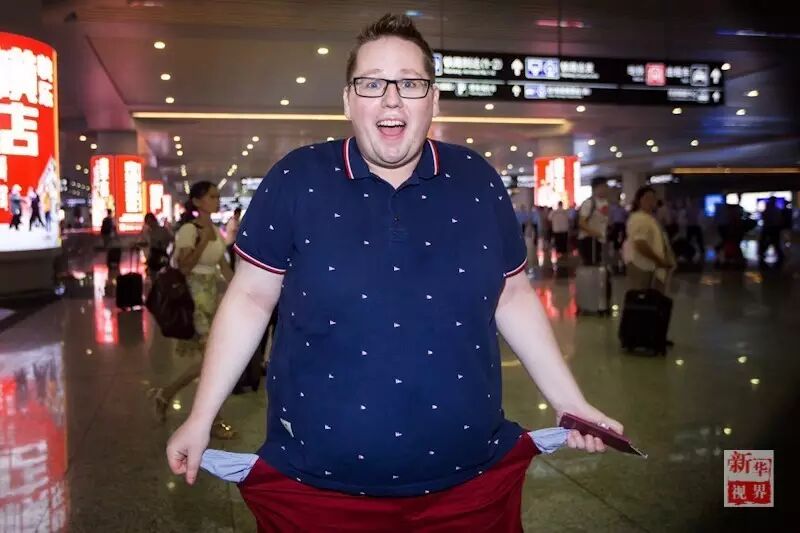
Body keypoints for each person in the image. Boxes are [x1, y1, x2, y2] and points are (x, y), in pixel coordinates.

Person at [166, 14, 622, 532]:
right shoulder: (295, 179)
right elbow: (250, 298)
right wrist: (201, 416)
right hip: (317, 486)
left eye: (410, 83)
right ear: (347, 101)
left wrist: (569, 402)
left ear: (433, 100)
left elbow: (512, 295)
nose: (391, 99)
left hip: (470, 481)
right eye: (371, 83)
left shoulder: (477, 180)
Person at [149, 181, 235, 438]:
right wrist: (202, 242)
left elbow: (223, 267)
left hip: (211, 298)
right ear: (197, 201)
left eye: (217, 196)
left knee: (211, 362)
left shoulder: (215, 230)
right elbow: (184, 266)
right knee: (213, 362)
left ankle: (166, 394)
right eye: (211, 196)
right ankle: (212, 420)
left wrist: (240, 292)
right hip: (193, 299)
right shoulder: (189, 230)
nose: (216, 200)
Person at [623, 186, 675, 293]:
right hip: (641, 265)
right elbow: (640, 244)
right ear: (639, 201)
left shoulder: (650, 218)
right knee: (641, 296)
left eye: (653, 198)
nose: (650, 202)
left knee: (650, 297)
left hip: (650, 265)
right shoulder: (638, 218)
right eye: (647, 198)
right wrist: (659, 260)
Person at [577, 177, 609, 266]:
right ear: (595, 188)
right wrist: (595, 233)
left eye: (605, 187)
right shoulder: (589, 203)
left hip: (600, 239)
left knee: (599, 264)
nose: (604, 189)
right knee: (592, 266)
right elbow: (581, 223)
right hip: (590, 240)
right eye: (602, 187)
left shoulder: (605, 202)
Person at [758, 196, 785, 267]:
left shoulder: (769, 209)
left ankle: (762, 253)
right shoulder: (777, 209)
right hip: (774, 228)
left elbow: (764, 217)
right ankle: (780, 255)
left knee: (768, 242)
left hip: (769, 227)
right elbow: (779, 219)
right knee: (775, 242)